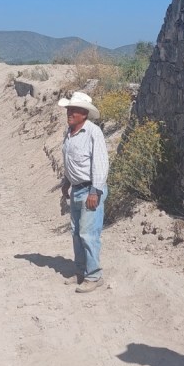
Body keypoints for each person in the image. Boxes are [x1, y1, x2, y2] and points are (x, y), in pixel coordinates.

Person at [58, 91, 110, 293]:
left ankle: (94, 276)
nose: (69, 113)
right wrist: (66, 181)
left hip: (90, 189)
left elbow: (100, 164)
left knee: (89, 234)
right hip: (77, 189)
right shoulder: (69, 133)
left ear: (84, 113)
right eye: (68, 109)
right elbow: (70, 161)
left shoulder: (93, 132)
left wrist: (95, 192)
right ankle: (80, 271)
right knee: (77, 234)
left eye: (73, 110)